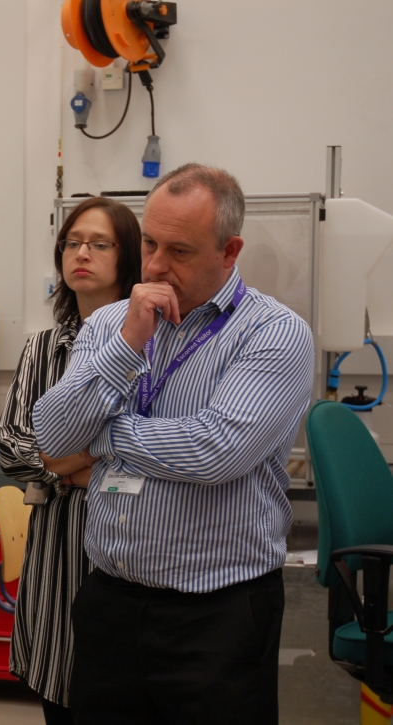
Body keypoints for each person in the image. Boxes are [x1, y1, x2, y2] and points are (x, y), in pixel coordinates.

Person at [33, 164, 314, 724]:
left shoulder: (274, 333)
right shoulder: (113, 322)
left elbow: (215, 449)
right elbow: (55, 435)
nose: (157, 265)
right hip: (110, 599)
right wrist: (129, 341)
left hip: (216, 615)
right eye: (151, 244)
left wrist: (105, 438)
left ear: (229, 251)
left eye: (179, 251)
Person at [0, 197, 141, 725]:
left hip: (130, 541)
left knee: (120, 692)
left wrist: (71, 460)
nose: (82, 253)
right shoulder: (43, 348)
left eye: (99, 244)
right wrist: (83, 463)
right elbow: (12, 448)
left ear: (127, 258)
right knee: (61, 691)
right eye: (72, 243)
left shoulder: (151, 343)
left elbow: (146, 447)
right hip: (58, 546)